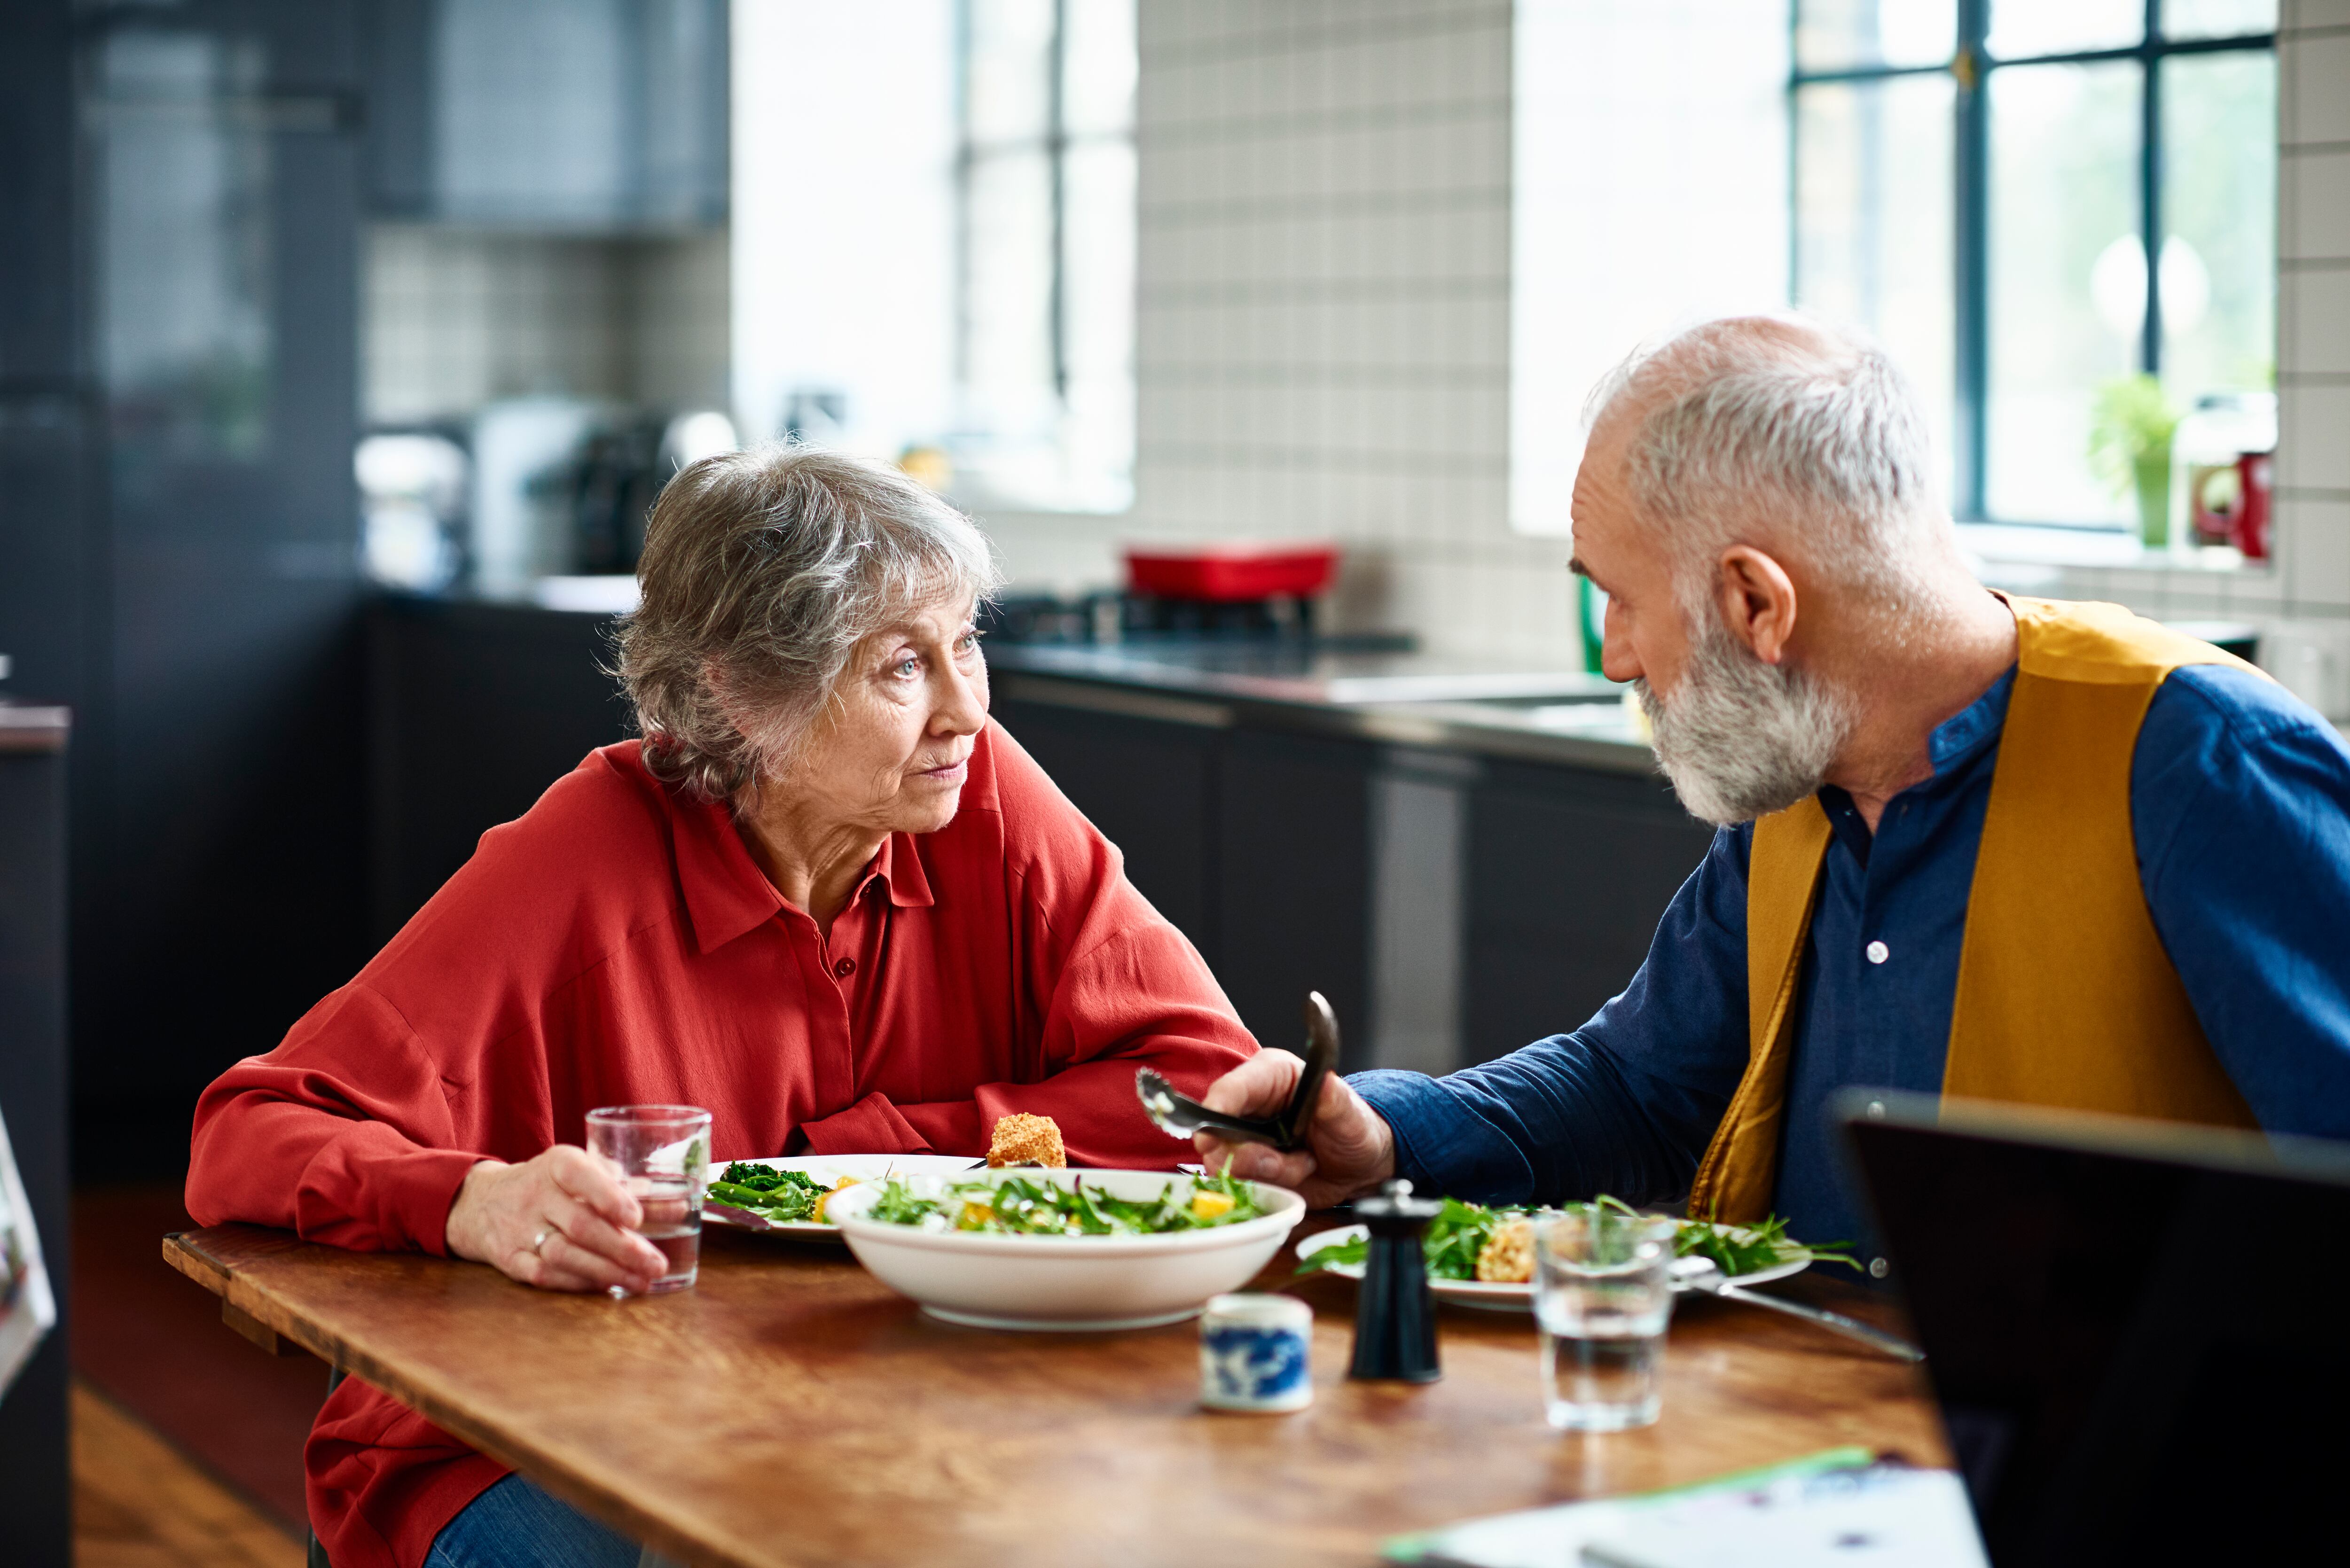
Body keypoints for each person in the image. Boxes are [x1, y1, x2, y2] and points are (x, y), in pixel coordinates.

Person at [186, 447, 1257, 1568]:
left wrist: (861, 1163)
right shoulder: (578, 861)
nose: (965, 710)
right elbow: (248, 1132)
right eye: (902, 666)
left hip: (880, 1393)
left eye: (968, 644)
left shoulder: (979, 788)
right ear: (746, 695)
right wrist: (474, 1202)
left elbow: (1207, 1084)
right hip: (531, 1431)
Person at [1198, 313, 2350, 1260]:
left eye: (1620, 597)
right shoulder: (1803, 773)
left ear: (1757, 605)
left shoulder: (2201, 762)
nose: (1615, 656)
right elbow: (1636, 1086)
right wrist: (1386, 1134)